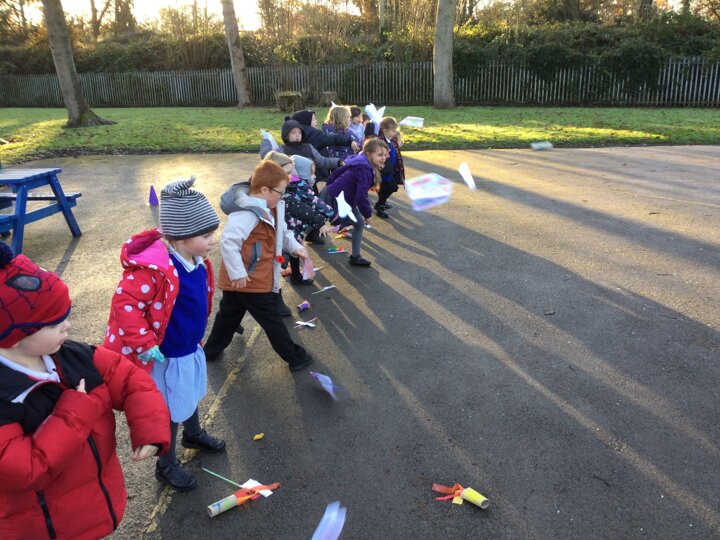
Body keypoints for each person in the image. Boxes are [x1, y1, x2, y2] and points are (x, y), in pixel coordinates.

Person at [0, 242, 171, 539]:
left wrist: (150, 427)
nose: (67, 326)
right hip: (43, 527)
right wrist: (74, 410)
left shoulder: (73, 355)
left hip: (95, 505)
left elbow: (132, 381)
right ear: (13, 337)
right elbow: (23, 469)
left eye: (65, 315)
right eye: (54, 323)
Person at [102, 177, 225, 492]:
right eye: (206, 235)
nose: (212, 241)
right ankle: (166, 465)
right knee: (168, 409)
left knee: (190, 391)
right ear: (181, 237)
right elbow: (126, 305)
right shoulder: (155, 270)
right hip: (165, 354)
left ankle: (192, 434)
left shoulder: (196, 260)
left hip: (188, 346)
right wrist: (144, 344)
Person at [204, 160, 314, 372]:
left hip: (248, 278)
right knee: (271, 319)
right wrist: (238, 273)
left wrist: (295, 247)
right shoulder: (247, 212)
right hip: (249, 279)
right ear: (264, 190)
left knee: (228, 315)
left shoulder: (272, 206)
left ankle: (210, 351)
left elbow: (282, 232)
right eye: (280, 192)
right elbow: (228, 242)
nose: (282, 196)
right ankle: (294, 357)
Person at [320, 138, 388, 267]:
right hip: (335, 198)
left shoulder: (361, 161)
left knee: (358, 223)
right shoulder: (365, 169)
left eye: (385, 155)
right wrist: (367, 214)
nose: (383, 158)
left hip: (338, 196)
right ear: (369, 153)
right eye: (380, 155)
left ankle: (355, 256)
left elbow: (339, 171)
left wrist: (329, 184)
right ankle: (293, 243)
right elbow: (361, 196)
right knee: (313, 220)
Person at [285, 154, 336, 285]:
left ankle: (293, 271)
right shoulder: (301, 186)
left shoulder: (291, 184)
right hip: (294, 225)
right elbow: (316, 202)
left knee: (293, 248)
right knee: (295, 250)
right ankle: (296, 275)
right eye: (311, 173)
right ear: (302, 174)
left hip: (291, 222)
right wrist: (331, 213)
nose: (314, 176)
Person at [373, 117, 406, 219]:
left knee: (391, 187)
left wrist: (398, 137)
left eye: (395, 130)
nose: (394, 133)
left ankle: (382, 202)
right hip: (382, 171)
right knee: (388, 187)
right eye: (392, 131)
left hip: (390, 169)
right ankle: (379, 206)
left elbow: (397, 148)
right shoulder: (380, 141)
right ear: (384, 130)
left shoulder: (391, 140)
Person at [290, 109, 360, 155]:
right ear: (306, 121)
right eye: (313, 119)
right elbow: (334, 138)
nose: (316, 121)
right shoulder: (315, 135)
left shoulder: (291, 136)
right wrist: (350, 141)